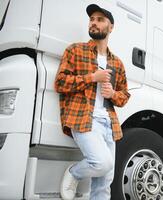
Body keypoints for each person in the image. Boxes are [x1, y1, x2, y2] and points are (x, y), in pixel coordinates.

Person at [54, 4, 130, 200]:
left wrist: (113, 93)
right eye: (92, 19)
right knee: (101, 163)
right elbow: (60, 83)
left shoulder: (117, 63)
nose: (94, 23)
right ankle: (74, 172)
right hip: (83, 119)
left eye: (100, 20)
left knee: (105, 182)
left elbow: (124, 96)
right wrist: (92, 78)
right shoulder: (75, 51)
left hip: (109, 124)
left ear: (111, 27)